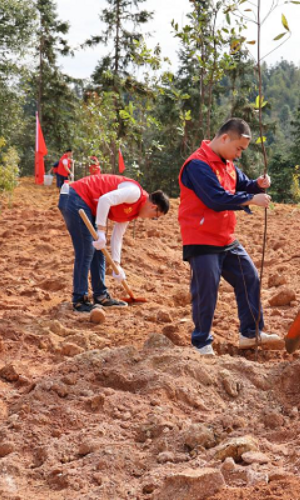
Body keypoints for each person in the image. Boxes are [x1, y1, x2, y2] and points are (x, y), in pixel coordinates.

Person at [178, 118, 279, 356]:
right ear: (225, 138)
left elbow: (242, 184)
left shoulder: (227, 164)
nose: (239, 155)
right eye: (238, 149)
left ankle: (250, 333)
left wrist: (257, 185)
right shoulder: (197, 165)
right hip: (201, 238)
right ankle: (201, 342)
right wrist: (251, 199)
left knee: (249, 277)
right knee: (207, 289)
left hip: (224, 237)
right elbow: (216, 198)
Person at [58, 174, 170, 312]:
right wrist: (101, 231)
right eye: (155, 217)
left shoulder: (133, 213)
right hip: (75, 197)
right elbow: (105, 200)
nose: (151, 219)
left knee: (98, 250)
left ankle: (101, 296)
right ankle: (80, 300)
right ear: (153, 207)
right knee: (86, 249)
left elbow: (118, 236)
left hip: (87, 205)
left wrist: (116, 264)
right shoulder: (134, 193)